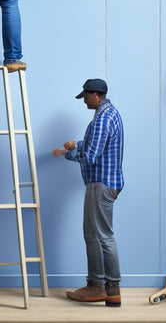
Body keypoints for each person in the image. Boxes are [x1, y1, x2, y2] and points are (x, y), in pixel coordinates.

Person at [52, 78, 124, 307]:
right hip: (106, 183)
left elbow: (92, 156)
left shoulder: (102, 118)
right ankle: (103, 286)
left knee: (100, 236)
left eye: (85, 96)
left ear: (95, 95)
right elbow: (97, 145)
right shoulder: (109, 114)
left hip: (100, 184)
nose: (83, 101)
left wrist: (67, 153)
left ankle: (104, 287)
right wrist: (77, 144)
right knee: (97, 235)